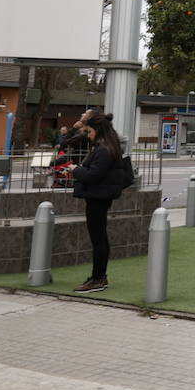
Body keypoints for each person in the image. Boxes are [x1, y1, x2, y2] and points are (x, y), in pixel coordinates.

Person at [70, 112, 132, 292]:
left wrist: (75, 170)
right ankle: (99, 277)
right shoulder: (109, 147)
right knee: (100, 238)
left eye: (89, 132)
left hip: (98, 197)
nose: (88, 136)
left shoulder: (104, 150)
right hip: (101, 196)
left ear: (97, 130)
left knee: (98, 239)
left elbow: (92, 175)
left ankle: (98, 278)